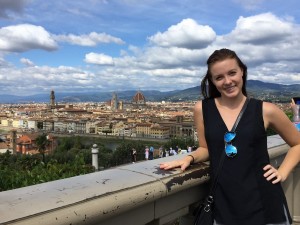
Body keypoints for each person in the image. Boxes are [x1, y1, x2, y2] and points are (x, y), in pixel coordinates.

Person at [160, 48, 300, 225]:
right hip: (223, 202)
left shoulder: (266, 110)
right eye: (219, 77)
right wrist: (190, 157)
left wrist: (283, 171)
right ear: (212, 81)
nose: (227, 81)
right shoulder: (202, 109)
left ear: (242, 71)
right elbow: (206, 149)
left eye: (232, 73)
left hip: (264, 200)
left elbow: (297, 143)